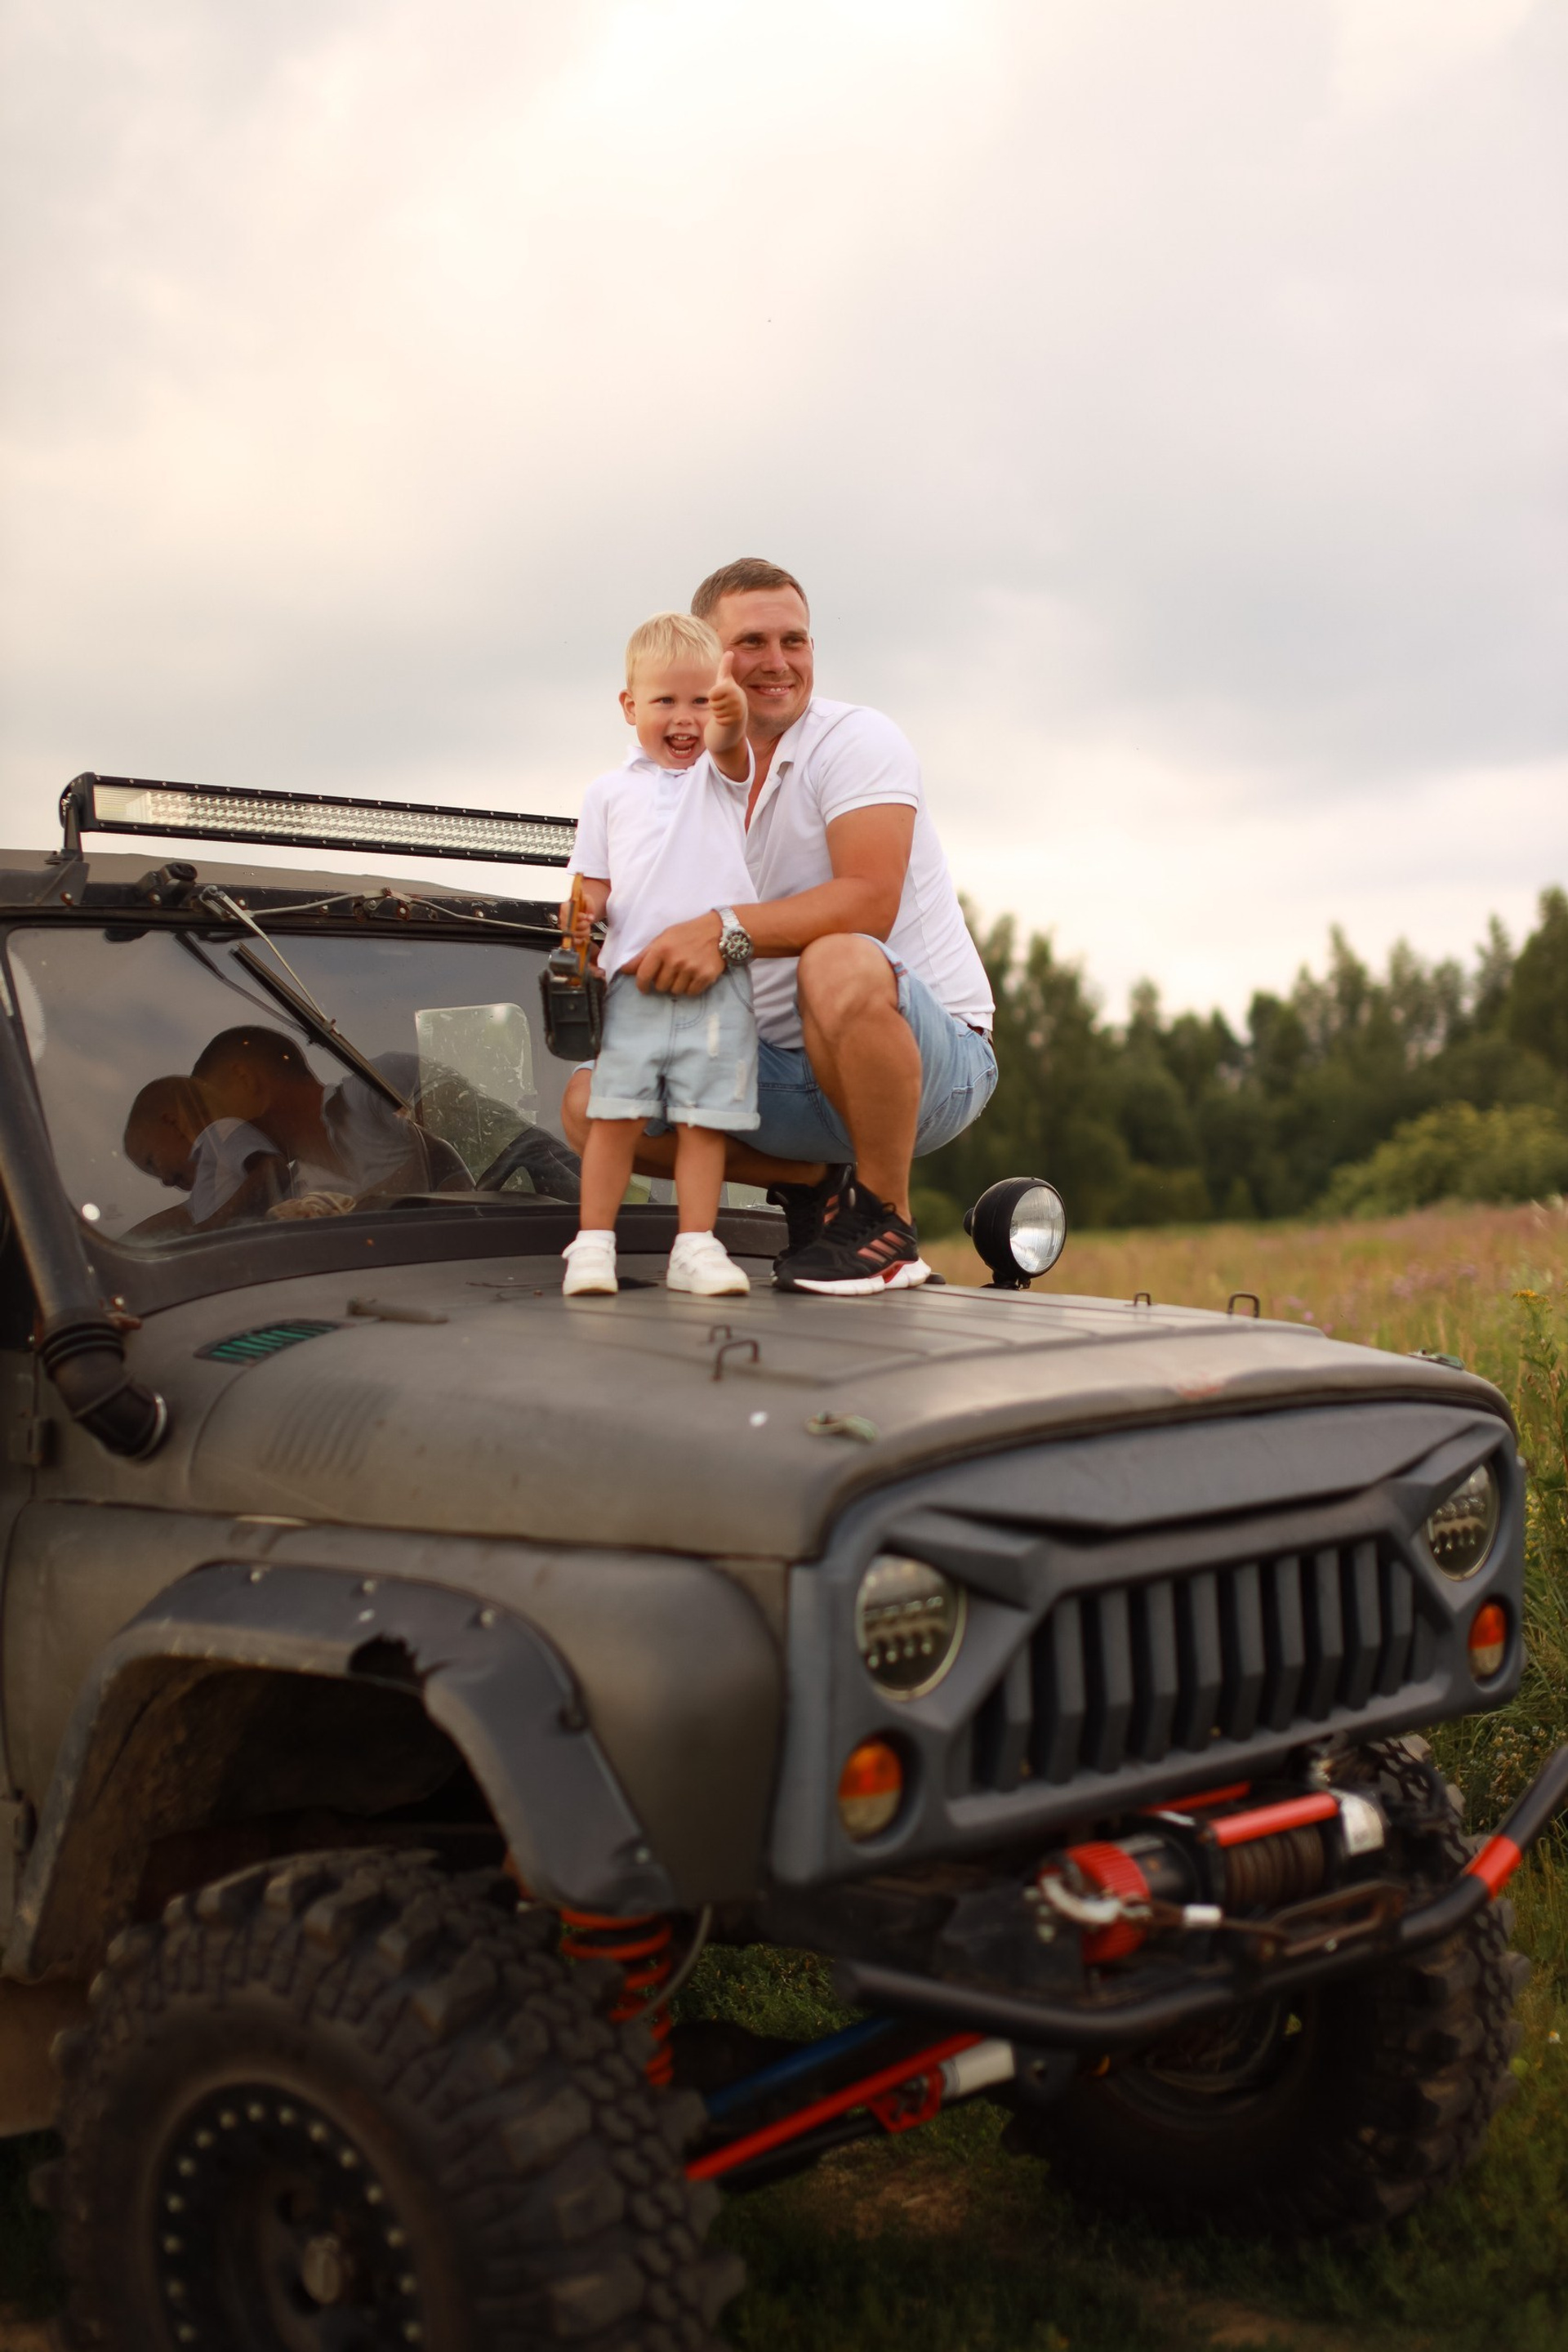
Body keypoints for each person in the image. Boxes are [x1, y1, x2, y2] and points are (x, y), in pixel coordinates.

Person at [560, 559, 997, 1294]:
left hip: (927, 1059)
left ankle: (885, 1223)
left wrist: (721, 930)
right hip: (776, 1070)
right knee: (587, 1101)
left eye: (794, 641)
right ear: (706, 653)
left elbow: (869, 902)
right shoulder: (664, 781)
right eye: (752, 643)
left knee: (839, 958)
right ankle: (815, 1181)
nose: (777, 662)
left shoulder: (857, 741)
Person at [559, 612, 759, 1298]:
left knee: (706, 1120)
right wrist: (581, 918)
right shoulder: (607, 793)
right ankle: (593, 1244)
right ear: (629, 706)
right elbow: (596, 888)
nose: (685, 719)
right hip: (635, 978)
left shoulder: (725, 776)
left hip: (719, 981)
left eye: (701, 701)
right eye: (665, 701)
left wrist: (728, 720)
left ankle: (696, 1245)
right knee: (614, 1110)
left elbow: (730, 747)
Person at [189, 1026, 466, 1214]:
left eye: (214, 1115)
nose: (219, 1139)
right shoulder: (296, 1201)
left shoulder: (380, 1085)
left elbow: (489, 1140)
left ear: (244, 1079)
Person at [123, 1074, 289, 1230]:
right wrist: (122, 1245)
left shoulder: (221, 1134)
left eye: (151, 1163)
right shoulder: (204, 1193)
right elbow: (170, 1220)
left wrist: (215, 1223)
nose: (165, 1182)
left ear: (171, 1122)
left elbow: (273, 1170)